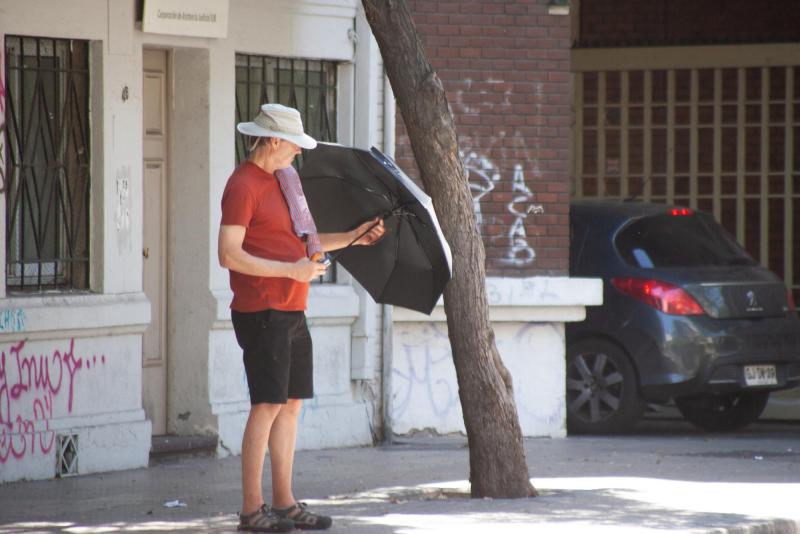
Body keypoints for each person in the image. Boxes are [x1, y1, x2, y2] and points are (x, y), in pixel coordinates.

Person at [218, 103, 385, 532]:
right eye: (294, 145)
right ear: (274, 139)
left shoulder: (285, 180)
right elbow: (228, 254)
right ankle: (251, 510)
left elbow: (303, 242)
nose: (298, 152)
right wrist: (291, 271)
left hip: (294, 306)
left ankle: (284, 502)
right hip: (261, 310)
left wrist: (353, 237)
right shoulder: (243, 185)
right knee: (267, 405)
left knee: (290, 406)